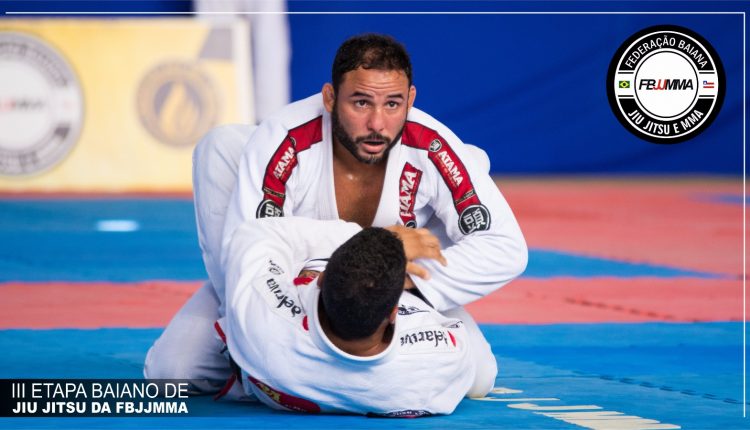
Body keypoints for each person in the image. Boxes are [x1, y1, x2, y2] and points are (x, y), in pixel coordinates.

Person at [145, 33, 527, 400]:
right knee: (173, 372)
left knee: (478, 377)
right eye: (361, 103)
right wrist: (386, 247)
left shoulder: (432, 147)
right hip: (291, 281)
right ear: (330, 98)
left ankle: (278, 374)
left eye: (393, 104)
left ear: (410, 99)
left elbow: (506, 248)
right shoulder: (286, 140)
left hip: (394, 291)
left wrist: (394, 281)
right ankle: (253, 356)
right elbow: (252, 250)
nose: (377, 123)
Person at [215, 216, 478, 415]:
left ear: (321, 279)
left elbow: (255, 232)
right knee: (483, 377)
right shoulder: (438, 363)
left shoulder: (263, 319)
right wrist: (392, 251)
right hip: (399, 334)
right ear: (394, 312)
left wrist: (373, 238)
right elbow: (458, 340)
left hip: (274, 366)